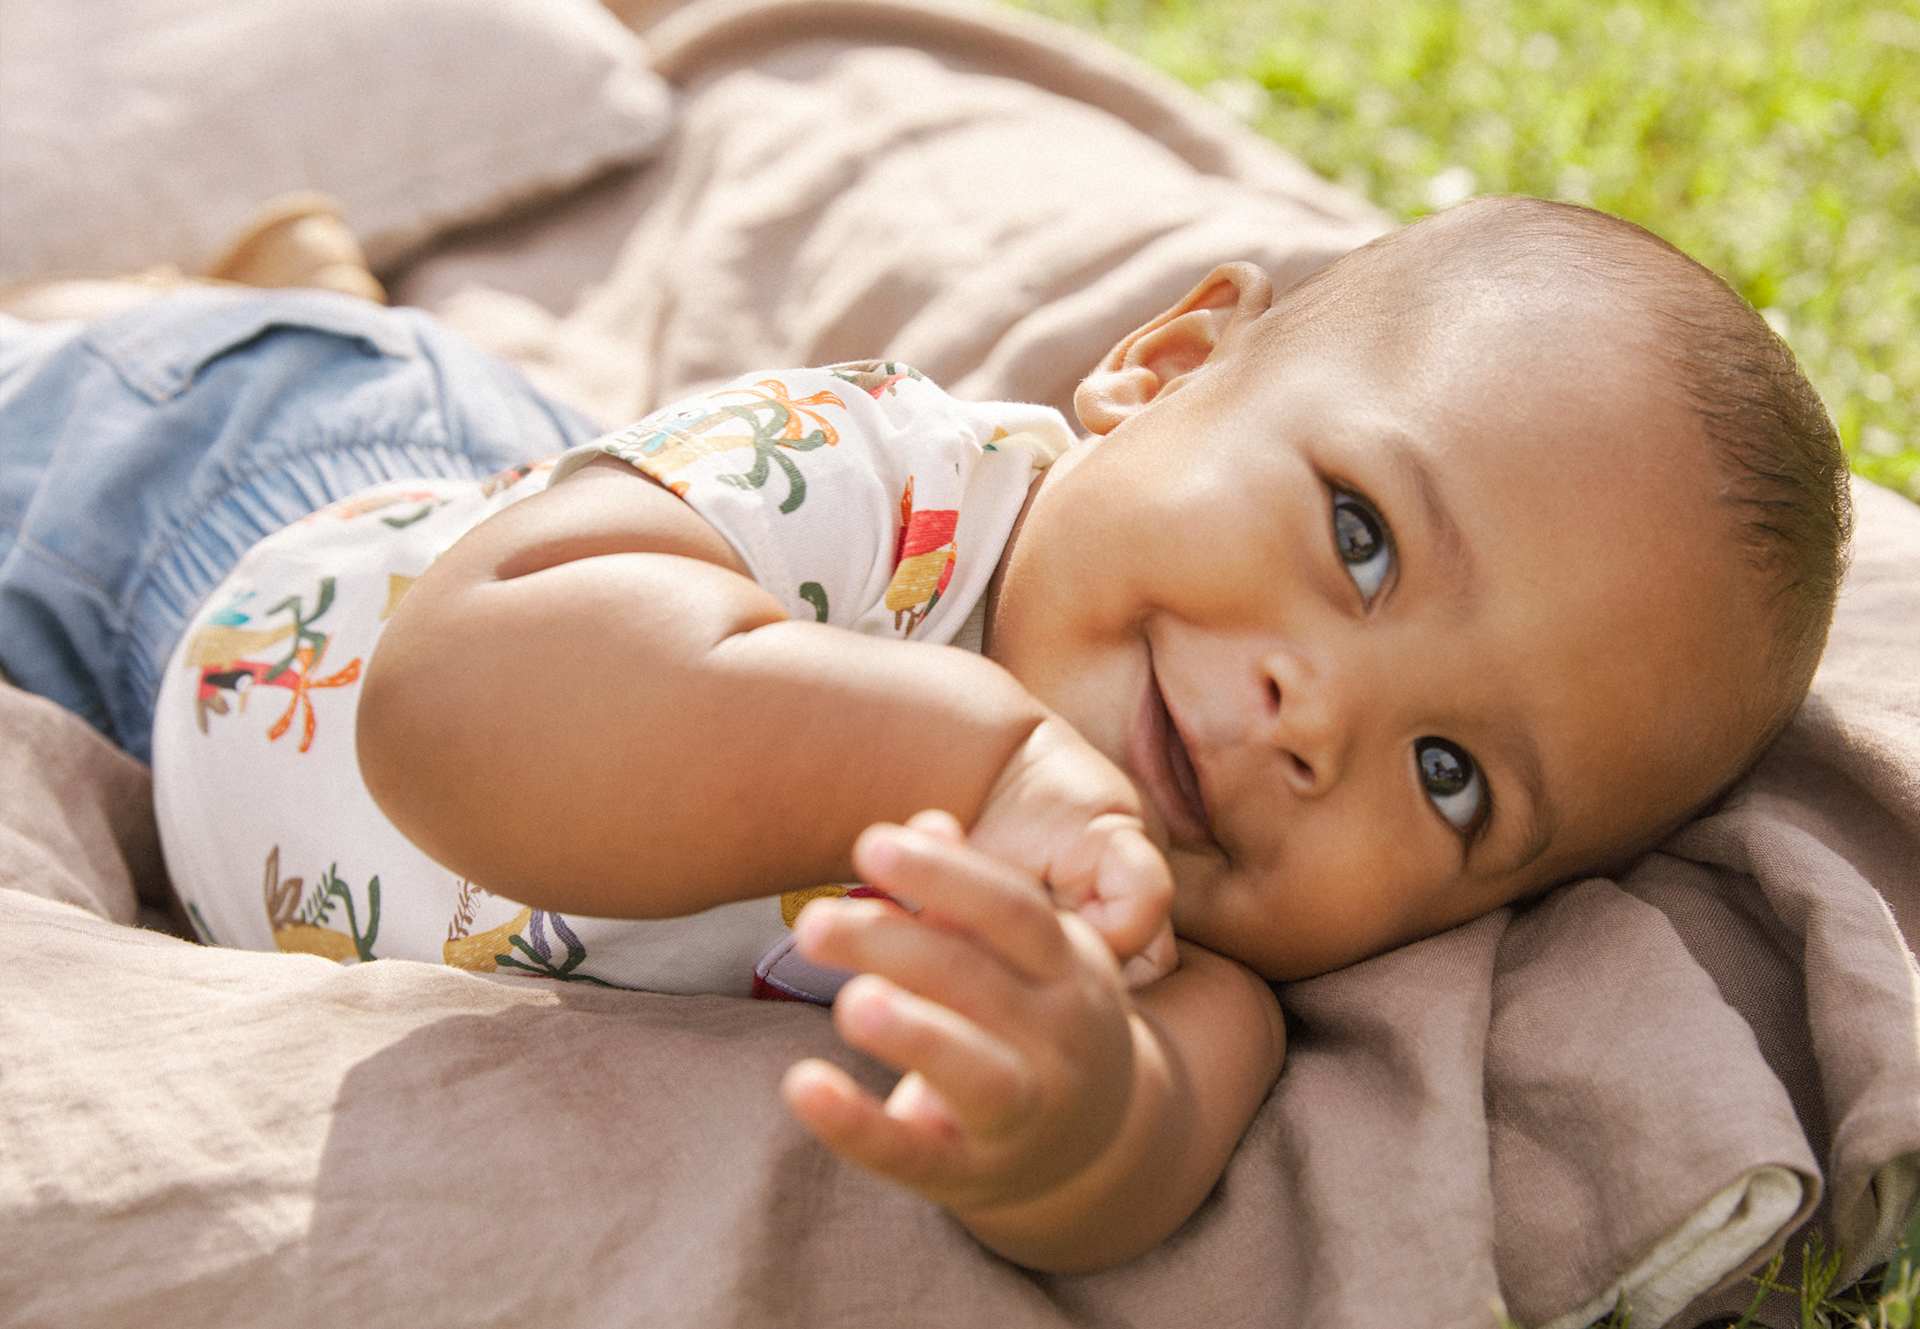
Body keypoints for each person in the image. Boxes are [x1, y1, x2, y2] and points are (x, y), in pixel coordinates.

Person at [0, 196, 1852, 1272]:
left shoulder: (1175, 958)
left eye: (1453, 779)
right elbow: (443, 714)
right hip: (207, 505)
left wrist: (1059, 1108)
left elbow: (1119, 1186)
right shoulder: (875, 489)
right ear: (1167, 365)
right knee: (235, 378)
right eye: (1359, 536)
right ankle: (266, 304)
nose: (1322, 726)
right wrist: (964, 760)